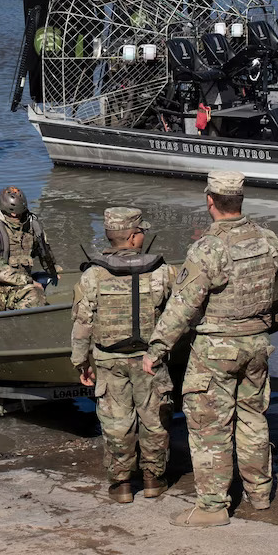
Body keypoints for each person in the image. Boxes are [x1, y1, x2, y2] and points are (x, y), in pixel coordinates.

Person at [141, 170, 278, 527]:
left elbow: (183, 306)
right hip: (258, 344)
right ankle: (259, 493)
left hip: (218, 348)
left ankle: (212, 506)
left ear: (210, 201)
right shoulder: (268, 240)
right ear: (240, 199)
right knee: (252, 417)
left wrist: (156, 349)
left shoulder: (208, 247)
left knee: (209, 427)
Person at [71, 207, 176, 505]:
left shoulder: (93, 275)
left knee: (117, 423)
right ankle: (153, 479)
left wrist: (81, 362)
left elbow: (82, 324)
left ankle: (121, 485)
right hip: (150, 360)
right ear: (132, 238)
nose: (144, 234)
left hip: (108, 361)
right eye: (141, 230)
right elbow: (180, 311)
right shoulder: (161, 271)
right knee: (154, 419)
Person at [0, 187, 54, 314]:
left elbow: (44, 250)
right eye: (14, 214)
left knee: (36, 299)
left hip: (17, 284)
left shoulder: (32, 226)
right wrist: (27, 280)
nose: (16, 217)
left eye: (20, 213)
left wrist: (52, 269)